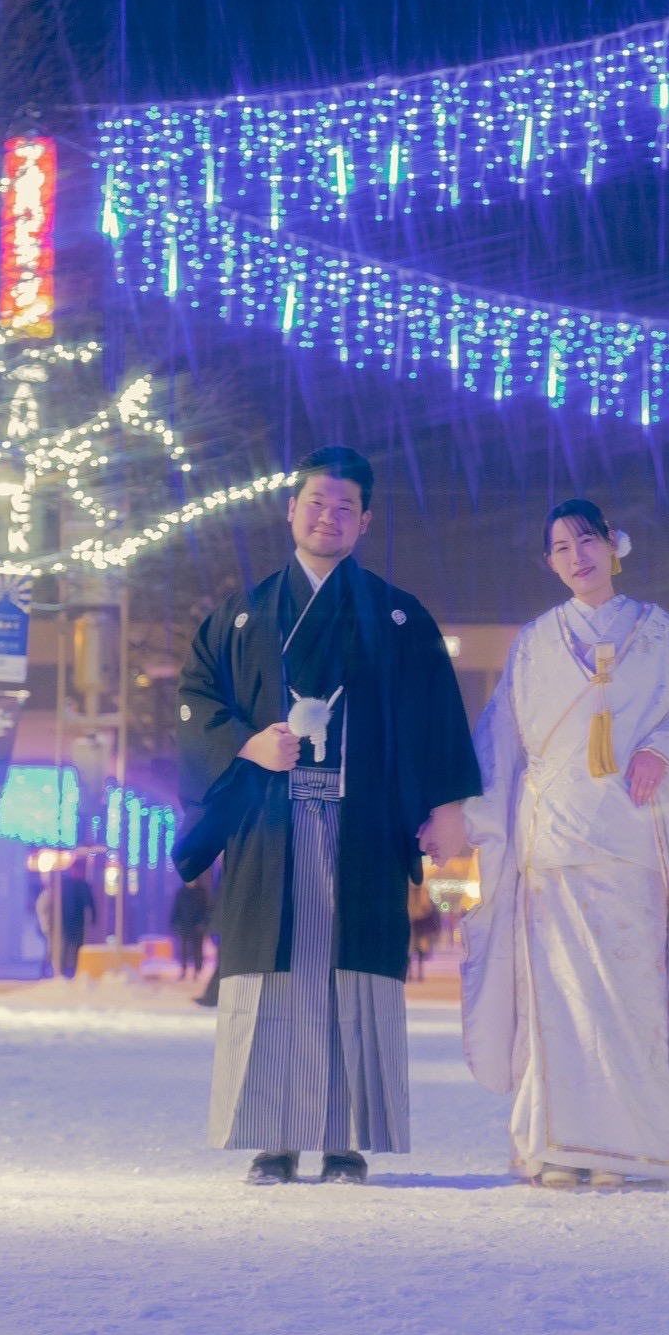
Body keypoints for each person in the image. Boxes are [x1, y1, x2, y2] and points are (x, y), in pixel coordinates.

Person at [170, 445, 481, 1187]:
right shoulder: (241, 617)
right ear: (291, 509)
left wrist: (446, 810)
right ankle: (271, 1138)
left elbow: (439, 717)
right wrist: (248, 744)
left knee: (352, 978)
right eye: (316, 502)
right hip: (267, 828)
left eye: (346, 507)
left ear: (366, 520)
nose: (328, 517)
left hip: (364, 827)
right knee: (274, 979)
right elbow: (194, 700)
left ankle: (346, 1139)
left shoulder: (399, 617)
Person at [448, 498, 669, 1189]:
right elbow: (500, 743)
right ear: (550, 562)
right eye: (561, 548)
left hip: (632, 837)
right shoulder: (535, 642)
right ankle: (557, 1146)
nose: (577, 557)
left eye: (587, 540)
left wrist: (661, 749)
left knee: (630, 996)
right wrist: (461, 812)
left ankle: (631, 1148)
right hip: (553, 845)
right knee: (558, 1000)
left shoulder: (655, 632)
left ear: (613, 545)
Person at [170, 876, 213, 979]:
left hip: (197, 926)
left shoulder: (201, 892)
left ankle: (197, 971)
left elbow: (206, 909)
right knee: (183, 949)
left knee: (197, 949)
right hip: (184, 926)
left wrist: (203, 923)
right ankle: (183, 969)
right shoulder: (181, 892)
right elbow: (177, 909)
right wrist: (176, 923)